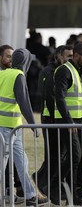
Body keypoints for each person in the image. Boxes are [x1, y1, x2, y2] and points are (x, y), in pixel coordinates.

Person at [0, 48, 48, 206]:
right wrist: (34, 125)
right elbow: (24, 103)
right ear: (26, 62)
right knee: (3, 163)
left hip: (13, 128)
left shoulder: (3, 73)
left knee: (22, 162)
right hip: (7, 128)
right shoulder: (18, 75)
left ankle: (30, 195)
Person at [53, 43, 82, 205]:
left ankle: (76, 191)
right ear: (76, 55)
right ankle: (56, 186)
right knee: (75, 155)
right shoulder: (64, 71)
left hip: (81, 121)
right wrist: (69, 122)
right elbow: (60, 98)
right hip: (66, 121)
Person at [32, 45, 73, 195]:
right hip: (50, 117)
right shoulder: (48, 72)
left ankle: (44, 179)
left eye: (72, 56)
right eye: (67, 56)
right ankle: (45, 182)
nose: (70, 59)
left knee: (59, 153)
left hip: (58, 117)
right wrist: (54, 118)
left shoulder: (64, 71)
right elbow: (49, 96)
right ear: (58, 56)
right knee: (55, 154)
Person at [0, 45, 25, 204]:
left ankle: (17, 192)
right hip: (4, 125)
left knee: (16, 162)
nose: (11, 59)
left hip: (12, 125)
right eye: (8, 56)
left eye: (12, 56)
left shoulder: (12, 74)